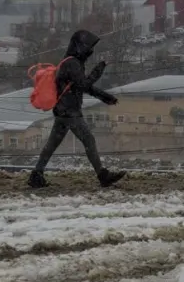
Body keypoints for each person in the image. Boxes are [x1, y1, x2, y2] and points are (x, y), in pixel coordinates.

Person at [28, 29, 126, 188]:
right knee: (88, 140)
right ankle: (102, 175)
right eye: (89, 47)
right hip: (70, 112)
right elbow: (84, 85)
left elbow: (81, 86)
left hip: (62, 111)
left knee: (52, 145)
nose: (91, 51)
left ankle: (36, 175)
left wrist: (105, 97)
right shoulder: (72, 63)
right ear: (81, 47)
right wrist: (99, 69)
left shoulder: (70, 62)